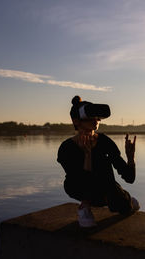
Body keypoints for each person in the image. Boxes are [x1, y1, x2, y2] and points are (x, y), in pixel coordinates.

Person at [57, 96, 139, 227]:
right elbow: (79, 180)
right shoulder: (66, 148)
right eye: (90, 119)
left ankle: (124, 198)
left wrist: (130, 158)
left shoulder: (105, 141)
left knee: (125, 207)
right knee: (81, 187)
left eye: (98, 119)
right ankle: (84, 207)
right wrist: (87, 155)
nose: (95, 122)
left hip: (106, 183)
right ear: (76, 121)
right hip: (78, 186)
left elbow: (129, 178)